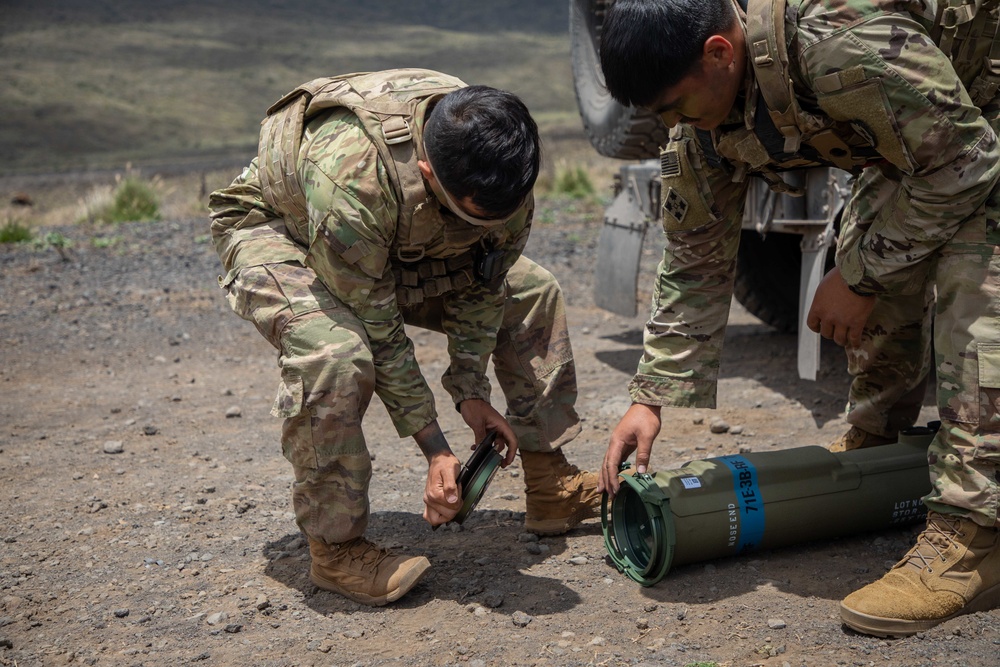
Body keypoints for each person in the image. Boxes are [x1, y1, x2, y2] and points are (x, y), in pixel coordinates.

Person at [594, 0, 1000, 637]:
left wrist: (862, 276)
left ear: (719, 53)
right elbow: (694, 257)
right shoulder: (705, 113)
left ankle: (976, 534)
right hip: (918, 124)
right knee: (869, 251)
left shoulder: (836, 43)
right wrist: (650, 399)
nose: (675, 126)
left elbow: (966, 160)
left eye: (675, 108)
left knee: (976, 288)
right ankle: (881, 449)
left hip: (977, 121)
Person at [208, 69, 600, 607]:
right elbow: (380, 327)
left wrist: (470, 392)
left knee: (531, 292)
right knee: (336, 354)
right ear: (428, 174)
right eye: (478, 217)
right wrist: (435, 448)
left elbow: (486, 281)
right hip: (286, 231)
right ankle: (336, 551)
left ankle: (550, 483)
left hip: (395, 240)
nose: (498, 227)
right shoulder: (353, 179)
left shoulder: (501, 175)